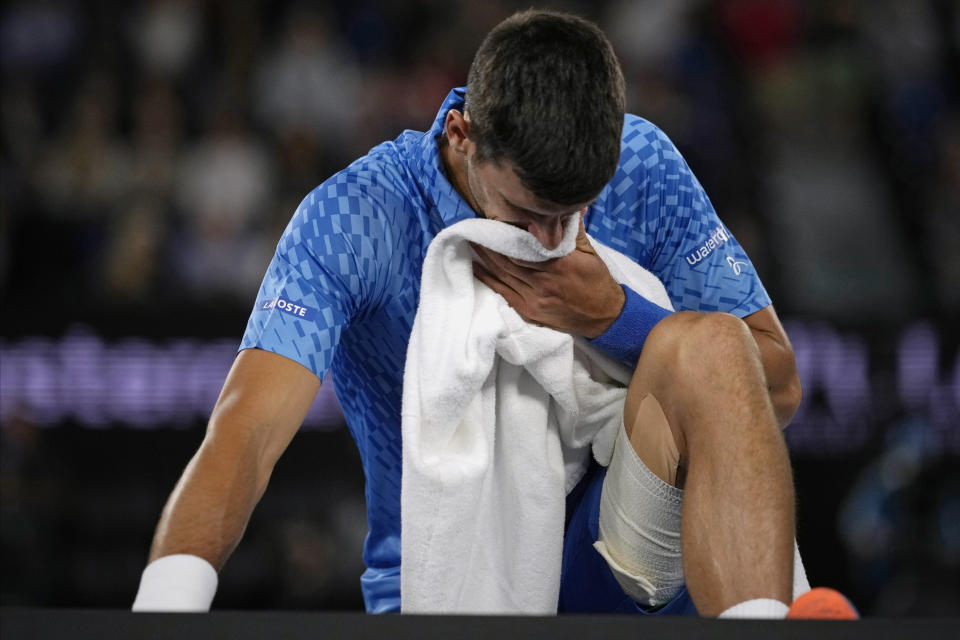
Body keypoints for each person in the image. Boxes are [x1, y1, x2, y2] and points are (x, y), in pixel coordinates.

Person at [134, 10, 817, 618]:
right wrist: (165, 605)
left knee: (714, 346)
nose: (552, 241)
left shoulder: (645, 164)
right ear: (461, 134)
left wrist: (614, 315)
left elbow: (777, 388)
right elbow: (245, 435)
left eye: (574, 212)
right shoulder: (358, 217)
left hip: (610, 556)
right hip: (445, 582)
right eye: (527, 214)